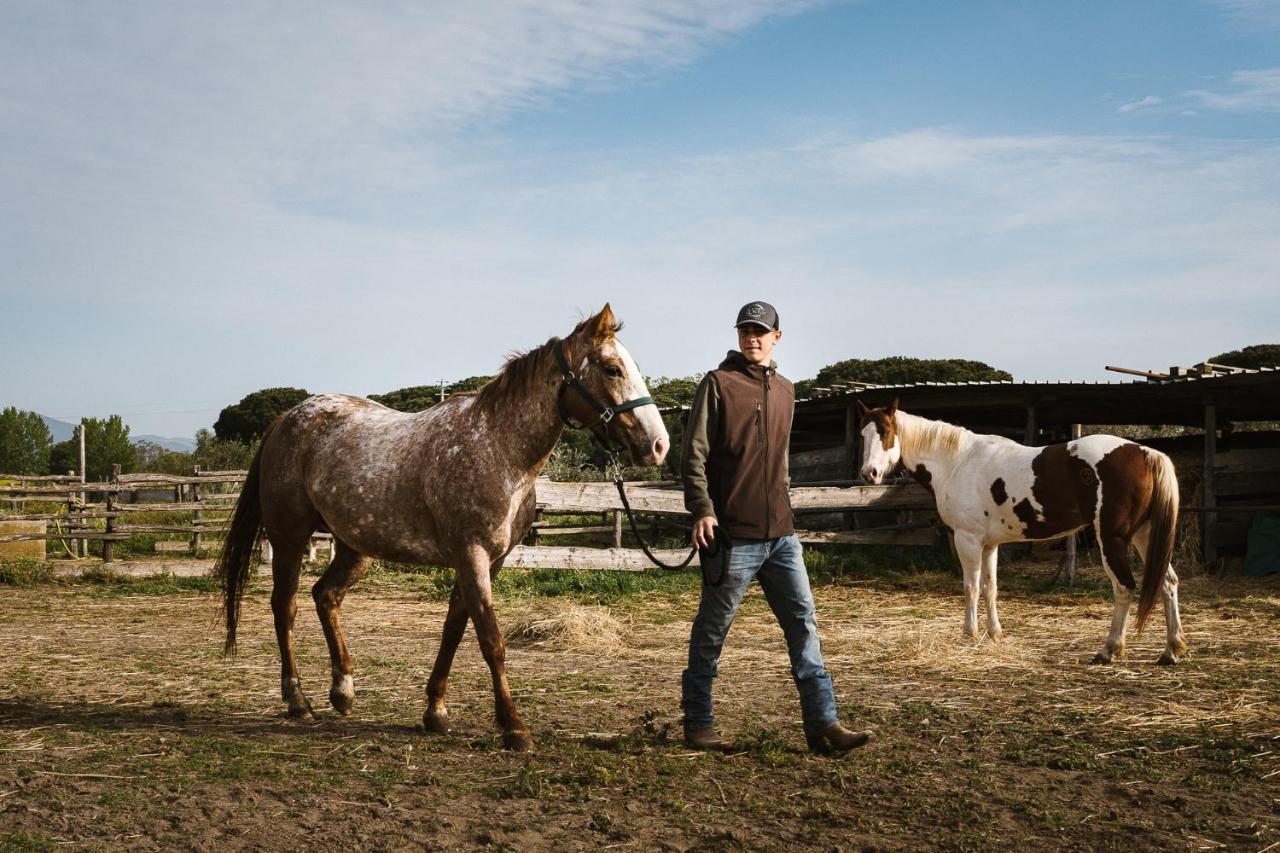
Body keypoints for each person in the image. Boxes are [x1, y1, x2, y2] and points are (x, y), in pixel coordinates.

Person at [680, 301, 871, 754]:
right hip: (734, 535)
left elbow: (780, 460)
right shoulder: (718, 384)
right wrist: (703, 509)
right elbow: (693, 455)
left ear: (776, 337)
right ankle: (698, 723)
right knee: (713, 629)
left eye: (761, 330)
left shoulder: (787, 390)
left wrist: (786, 506)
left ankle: (823, 724)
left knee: (803, 622)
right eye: (746, 329)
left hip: (783, 537)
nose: (752, 337)